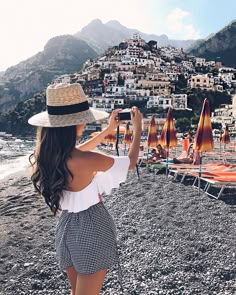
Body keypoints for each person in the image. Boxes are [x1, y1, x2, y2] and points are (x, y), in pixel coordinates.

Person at [28, 83, 142, 295]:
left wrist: (108, 131)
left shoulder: (49, 155)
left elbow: (81, 149)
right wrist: (138, 130)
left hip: (66, 227)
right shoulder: (86, 159)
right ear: (77, 123)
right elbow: (130, 162)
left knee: (76, 290)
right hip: (91, 227)